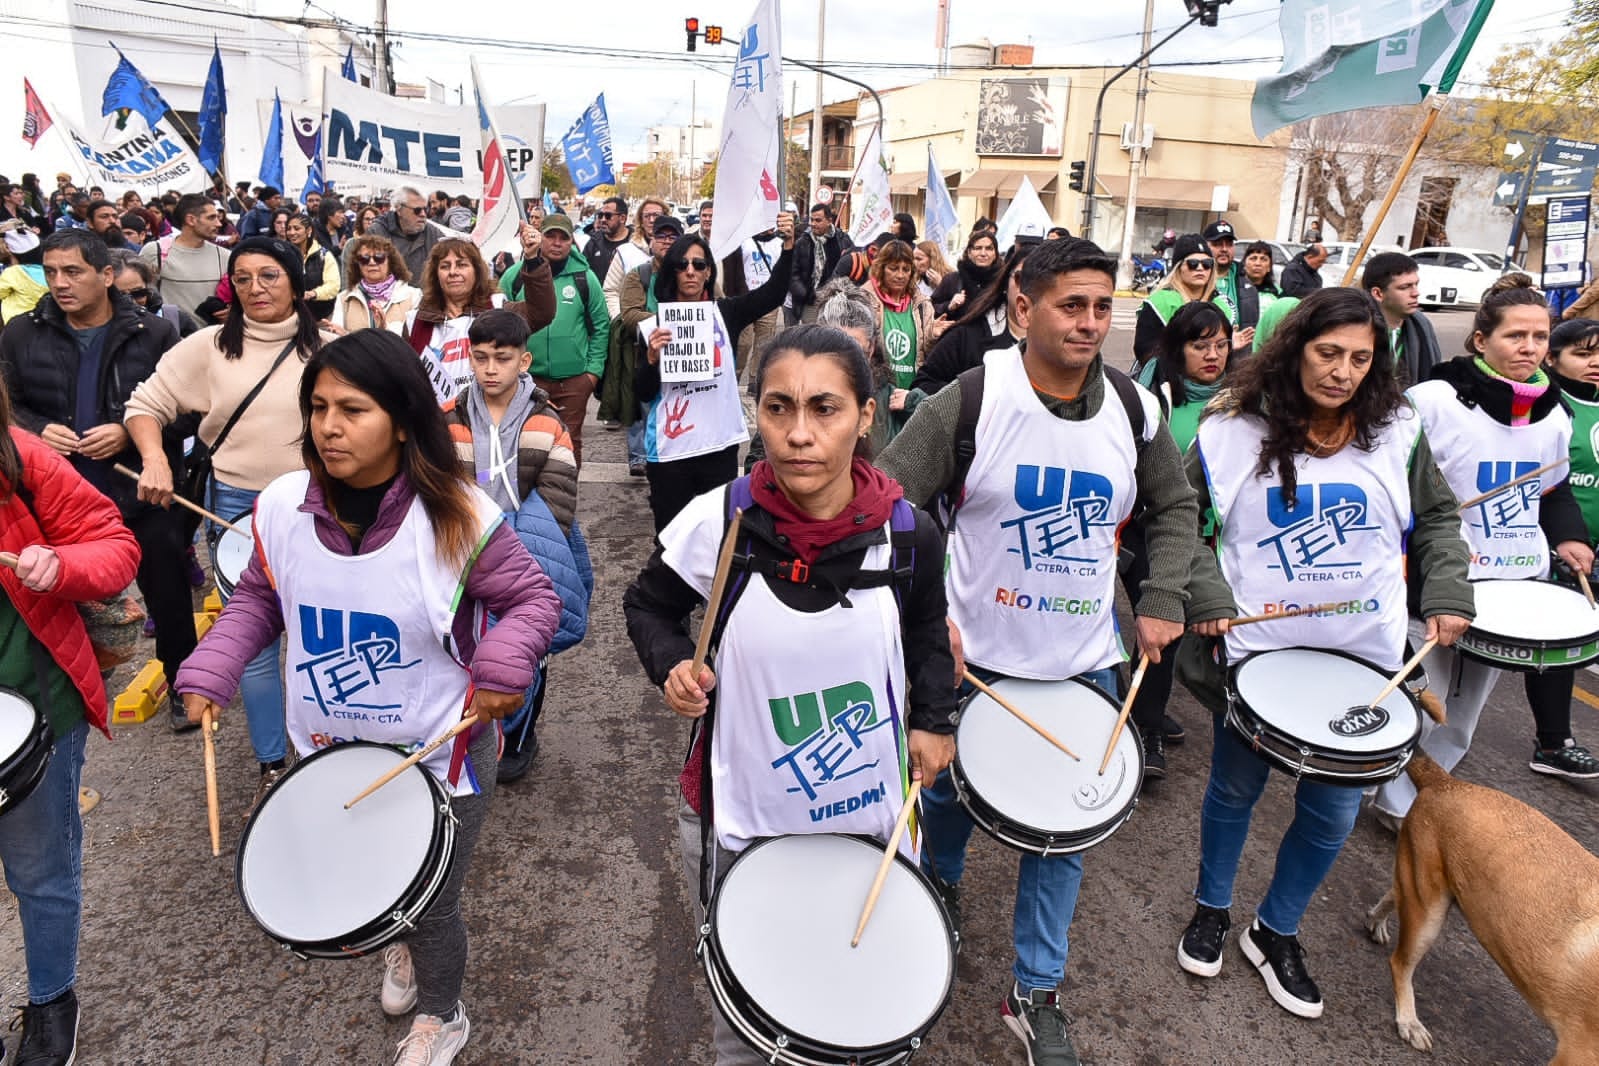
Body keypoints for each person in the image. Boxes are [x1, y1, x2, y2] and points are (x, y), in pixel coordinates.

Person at [175, 328, 559, 1066]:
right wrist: (209, 669)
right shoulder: (283, 504)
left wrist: (504, 668)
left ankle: (442, 1015)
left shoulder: (457, 512)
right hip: (328, 750)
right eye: (317, 407)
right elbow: (261, 597)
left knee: (434, 901)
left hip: (438, 750)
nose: (328, 426)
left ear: (403, 418)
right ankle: (399, 940)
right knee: (378, 882)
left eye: (352, 409)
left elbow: (532, 599)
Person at [877, 237, 1197, 1065]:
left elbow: (1173, 507)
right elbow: (884, 504)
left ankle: (1035, 990)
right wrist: (925, 614)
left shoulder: (1135, 410)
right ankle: (941, 884)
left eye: (1102, 307)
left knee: (1063, 833)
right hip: (975, 657)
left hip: (1084, 663)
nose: (1091, 323)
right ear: (1022, 309)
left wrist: (1160, 599)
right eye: (1072, 305)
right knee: (945, 794)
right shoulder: (971, 401)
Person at [623, 324, 957, 1066]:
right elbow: (646, 605)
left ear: (866, 416)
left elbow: (928, 631)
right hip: (738, 820)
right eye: (778, 409)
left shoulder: (907, 536)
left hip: (868, 818)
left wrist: (935, 721)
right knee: (749, 1017)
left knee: (866, 1009)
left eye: (824, 409)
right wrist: (674, 664)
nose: (799, 434)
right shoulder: (721, 521)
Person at [1178, 287, 1473, 1018]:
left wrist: (1446, 591)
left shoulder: (1396, 431)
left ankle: (1274, 929)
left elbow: (1436, 520)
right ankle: (1211, 907)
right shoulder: (1227, 430)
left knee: (1331, 814)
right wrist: (1206, 595)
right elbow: (1175, 522)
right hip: (1256, 654)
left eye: (1359, 359)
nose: (1342, 371)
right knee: (1233, 791)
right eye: (1327, 352)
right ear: (1293, 348)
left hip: (1362, 661)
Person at [1374, 275, 1596, 823]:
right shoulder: (1430, 402)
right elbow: (1385, 484)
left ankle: (1409, 808)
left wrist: (1569, 535)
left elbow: (1552, 488)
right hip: (1434, 576)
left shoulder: (1553, 411)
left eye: (1540, 337)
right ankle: (1354, 790)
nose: (1530, 348)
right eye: (1515, 336)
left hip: (1512, 584)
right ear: (1480, 340)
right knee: (1417, 701)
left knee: (1461, 716)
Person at [125, 236, 337, 806]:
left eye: (269, 276)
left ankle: (330, 752)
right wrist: (154, 458)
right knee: (256, 637)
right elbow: (144, 406)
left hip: (324, 504)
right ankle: (273, 762)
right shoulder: (207, 347)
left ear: (295, 280)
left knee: (325, 632)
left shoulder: (335, 347)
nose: (255, 289)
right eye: (242, 278)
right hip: (236, 507)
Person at [0, 229, 198, 735]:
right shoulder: (22, 333)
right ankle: (74, 694)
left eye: (74, 271)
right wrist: (37, 430)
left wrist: (126, 431)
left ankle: (183, 685)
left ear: (106, 275)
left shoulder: (153, 333)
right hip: (54, 499)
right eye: (51, 272)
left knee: (168, 593)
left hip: (141, 491)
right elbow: (10, 405)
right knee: (61, 600)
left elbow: (188, 410)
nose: (60, 283)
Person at [0, 373, 140, 1066]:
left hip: (37, 707)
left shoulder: (23, 460)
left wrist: (60, 563)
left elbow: (114, 544)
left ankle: (52, 999)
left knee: (40, 869)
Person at [443, 308, 580, 783]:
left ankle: (520, 737)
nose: (490, 370)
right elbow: (440, 486)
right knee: (473, 643)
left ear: (523, 361)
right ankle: (478, 731)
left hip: (526, 558)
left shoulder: (546, 421)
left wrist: (524, 551)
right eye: (480, 358)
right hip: (465, 553)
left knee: (526, 650)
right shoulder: (451, 418)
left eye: (502, 359)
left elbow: (559, 492)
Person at [1124, 301, 1235, 778]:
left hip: (1213, 538)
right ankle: (1144, 726)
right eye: (1200, 345)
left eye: (1222, 345)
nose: (1213, 355)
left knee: (1193, 628)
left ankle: (1145, 706)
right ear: (1177, 348)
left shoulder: (1244, 401)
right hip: (1154, 526)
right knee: (1162, 620)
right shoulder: (1155, 396)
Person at [638, 215, 794, 531]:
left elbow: (773, 294)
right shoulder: (654, 326)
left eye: (699, 264)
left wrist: (788, 246)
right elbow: (640, 392)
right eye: (682, 265)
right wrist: (652, 359)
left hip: (718, 447)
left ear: (709, 271)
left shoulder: (727, 314)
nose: (691, 271)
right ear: (672, 271)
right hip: (671, 452)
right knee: (671, 539)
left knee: (715, 537)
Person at [1533, 315, 1599, 778]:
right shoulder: (1545, 406)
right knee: (1557, 645)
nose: (1595, 363)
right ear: (1553, 358)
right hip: (1549, 547)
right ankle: (1554, 743)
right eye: (1583, 353)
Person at [499, 215, 608, 467]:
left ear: (572, 241)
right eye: (550, 236)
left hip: (573, 383)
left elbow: (602, 326)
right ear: (540, 237)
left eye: (564, 237)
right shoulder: (515, 276)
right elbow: (498, 322)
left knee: (568, 445)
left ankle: (564, 503)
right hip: (526, 382)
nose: (556, 243)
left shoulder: (585, 278)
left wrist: (592, 373)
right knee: (525, 444)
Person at [403, 233, 555, 405]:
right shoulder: (416, 321)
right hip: (436, 423)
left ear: (476, 270)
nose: (453, 272)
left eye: (461, 265)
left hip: (492, 418)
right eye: (445, 266)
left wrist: (533, 260)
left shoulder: (498, 308)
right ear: (436, 274)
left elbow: (542, 312)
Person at [908, 241, 1034, 404]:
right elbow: (923, 385)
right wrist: (971, 400)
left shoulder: (1067, 343)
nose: (1031, 287)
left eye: (1044, 280)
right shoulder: (967, 335)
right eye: (1022, 278)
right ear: (1005, 282)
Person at [610, 213, 686, 479]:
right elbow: (629, 315)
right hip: (645, 355)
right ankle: (641, 457)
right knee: (643, 408)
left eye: (672, 237)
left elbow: (713, 308)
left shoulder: (692, 272)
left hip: (685, 356)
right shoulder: (637, 276)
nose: (666, 242)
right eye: (660, 236)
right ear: (651, 241)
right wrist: (673, 322)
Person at [861, 239, 939, 439]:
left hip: (909, 396)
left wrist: (933, 336)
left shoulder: (922, 305)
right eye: (894, 268)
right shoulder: (865, 300)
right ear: (881, 268)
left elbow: (926, 352)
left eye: (906, 269)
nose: (900, 275)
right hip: (877, 395)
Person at [1134, 233, 1236, 367]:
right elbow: (1145, 351)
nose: (1200, 268)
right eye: (1193, 264)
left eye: (1207, 264)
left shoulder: (1223, 306)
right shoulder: (1159, 302)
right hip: (1167, 381)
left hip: (1212, 384)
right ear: (1178, 267)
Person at [140, 194, 229, 317]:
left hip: (213, 334)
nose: (218, 224)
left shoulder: (225, 256)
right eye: (211, 218)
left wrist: (231, 311)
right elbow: (140, 297)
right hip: (173, 334)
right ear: (191, 220)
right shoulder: (155, 251)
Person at [1362, 251, 1443, 386]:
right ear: (1378, 293)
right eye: (1404, 287)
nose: (1415, 293)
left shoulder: (1422, 326)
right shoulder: (1357, 328)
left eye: (1416, 284)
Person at [336, 235, 421, 334]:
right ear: (357, 264)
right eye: (364, 258)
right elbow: (337, 339)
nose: (372, 262)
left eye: (379, 257)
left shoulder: (413, 296)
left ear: (391, 261)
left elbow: (415, 337)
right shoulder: (344, 299)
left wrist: (385, 328)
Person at [109, 251, 203, 337]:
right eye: (120, 295)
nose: (131, 301)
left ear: (147, 286)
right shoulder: (97, 327)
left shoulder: (174, 318)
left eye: (138, 292)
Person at [788, 202, 852, 323]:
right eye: (812, 220)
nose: (813, 224)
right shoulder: (803, 242)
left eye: (818, 220)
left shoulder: (843, 239)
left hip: (836, 302)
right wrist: (807, 294)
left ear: (829, 221)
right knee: (812, 337)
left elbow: (851, 267)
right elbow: (792, 274)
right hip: (811, 302)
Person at [1203, 220, 1258, 348]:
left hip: (1239, 357)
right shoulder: (1197, 279)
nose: (1224, 249)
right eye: (1217, 244)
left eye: (1229, 244)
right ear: (1205, 246)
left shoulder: (1247, 282)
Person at [372, 186, 447, 281]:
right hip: (386, 294)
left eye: (425, 209)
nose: (423, 214)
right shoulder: (376, 233)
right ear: (399, 210)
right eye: (417, 210)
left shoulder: (434, 234)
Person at [929, 230, 999, 319]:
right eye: (978, 248)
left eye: (989, 248)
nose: (983, 253)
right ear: (969, 252)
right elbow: (929, 309)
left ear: (995, 254)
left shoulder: (1003, 281)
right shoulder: (952, 280)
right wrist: (949, 306)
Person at [284, 213, 341, 323]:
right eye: (289, 229)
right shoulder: (282, 255)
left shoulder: (324, 256)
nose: (292, 233)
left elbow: (333, 286)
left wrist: (313, 294)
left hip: (320, 319)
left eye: (297, 228)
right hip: (290, 319)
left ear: (309, 230)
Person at [582, 195, 632, 289]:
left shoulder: (635, 243)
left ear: (622, 218)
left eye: (608, 216)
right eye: (600, 215)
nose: (603, 220)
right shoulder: (593, 243)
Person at [1239, 240, 1280, 309]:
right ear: (1244, 264)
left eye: (1263, 259)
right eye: (1253, 258)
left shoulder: (1277, 293)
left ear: (1269, 267)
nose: (1258, 263)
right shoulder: (1234, 289)